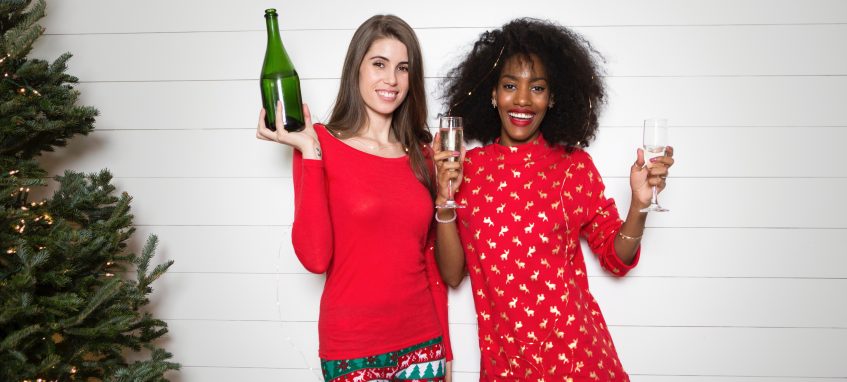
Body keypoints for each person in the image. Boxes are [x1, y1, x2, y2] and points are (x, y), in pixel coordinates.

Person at [432, 18, 675, 381]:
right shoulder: (469, 171)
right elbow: (452, 275)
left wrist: (639, 204)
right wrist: (443, 197)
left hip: (582, 363)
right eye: (510, 85)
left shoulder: (573, 167)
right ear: (492, 93)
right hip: (507, 369)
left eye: (538, 88)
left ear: (553, 97)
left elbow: (616, 259)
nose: (523, 100)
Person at [256, 15, 452, 382]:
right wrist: (310, 152)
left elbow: (429, 262)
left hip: (423, 339)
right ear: (356, 69)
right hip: (353, 346)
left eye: (403, 68)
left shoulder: (422, 154)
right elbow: (315, 258)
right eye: (379, 64)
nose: (391, 80)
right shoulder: (319, 144)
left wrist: (446, 351)